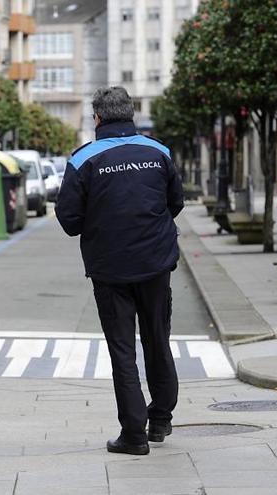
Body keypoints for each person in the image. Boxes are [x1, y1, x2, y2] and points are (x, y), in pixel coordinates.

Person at [55, 87, 184, 456]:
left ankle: (134, 433)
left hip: (111, 270)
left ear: (97, 118)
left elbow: (69, 220)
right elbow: (175, 202)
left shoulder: (84, 160)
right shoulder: (158, 151)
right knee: (158, 338)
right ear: (131, 114)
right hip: (156, 263)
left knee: (123, 350)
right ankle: (160, 419)